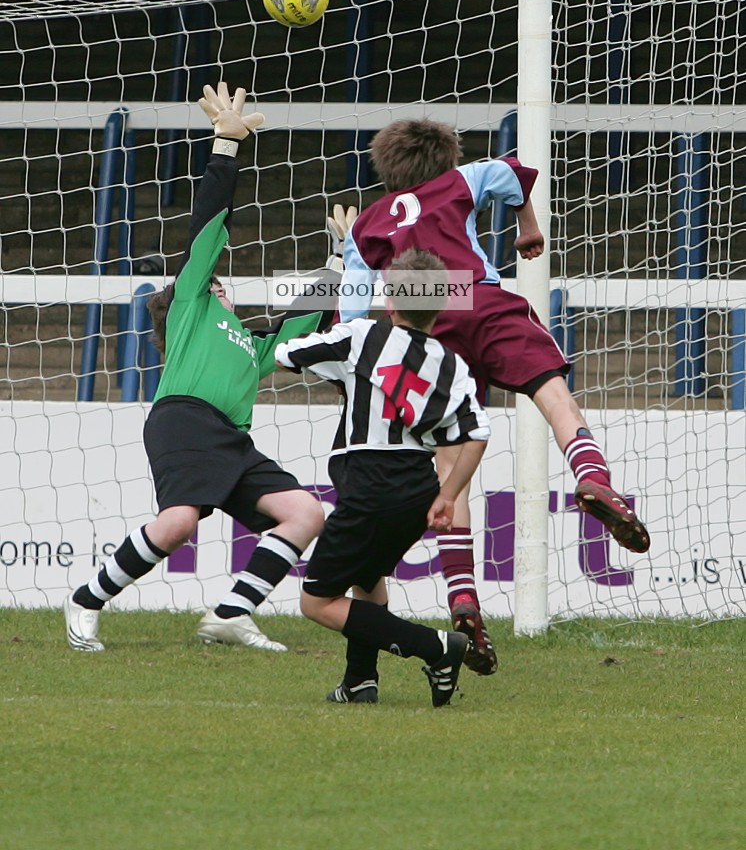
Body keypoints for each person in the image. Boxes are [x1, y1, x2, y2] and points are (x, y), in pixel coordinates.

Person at [337, 118, 651, 676]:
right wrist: (528, 227)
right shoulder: (462, 178)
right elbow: (515, 174)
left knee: (449, 465)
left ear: (385, 169)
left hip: (426, 320)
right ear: (445, 156)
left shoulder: (366, 223)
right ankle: (593, 477)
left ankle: (463, 598)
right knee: (555, 397)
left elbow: (352, 314)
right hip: (477, 294)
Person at [64, 83, 328, 654]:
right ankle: (86, 599)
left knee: (306, 512)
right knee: (179, 523)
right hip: (182, 421)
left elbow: (301, 325)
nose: (222, 279)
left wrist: (337, 264)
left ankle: (231, 614)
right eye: (213, 276)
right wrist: (226, 148)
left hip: (232, 440)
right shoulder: (192, 305)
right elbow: (208, 223)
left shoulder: (248, 343)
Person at [276, 249, 491, 707]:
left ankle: (434, 648)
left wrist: (331, 274)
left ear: (389, 300)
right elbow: (476, 434)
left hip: (371, 483)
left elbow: (287, 353)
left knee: (316, 602)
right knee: (368, 577)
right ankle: (359, 680)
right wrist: (448, 496)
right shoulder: (451, 364)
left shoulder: (362, 336)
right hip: (418, 488)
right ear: (440, 306)